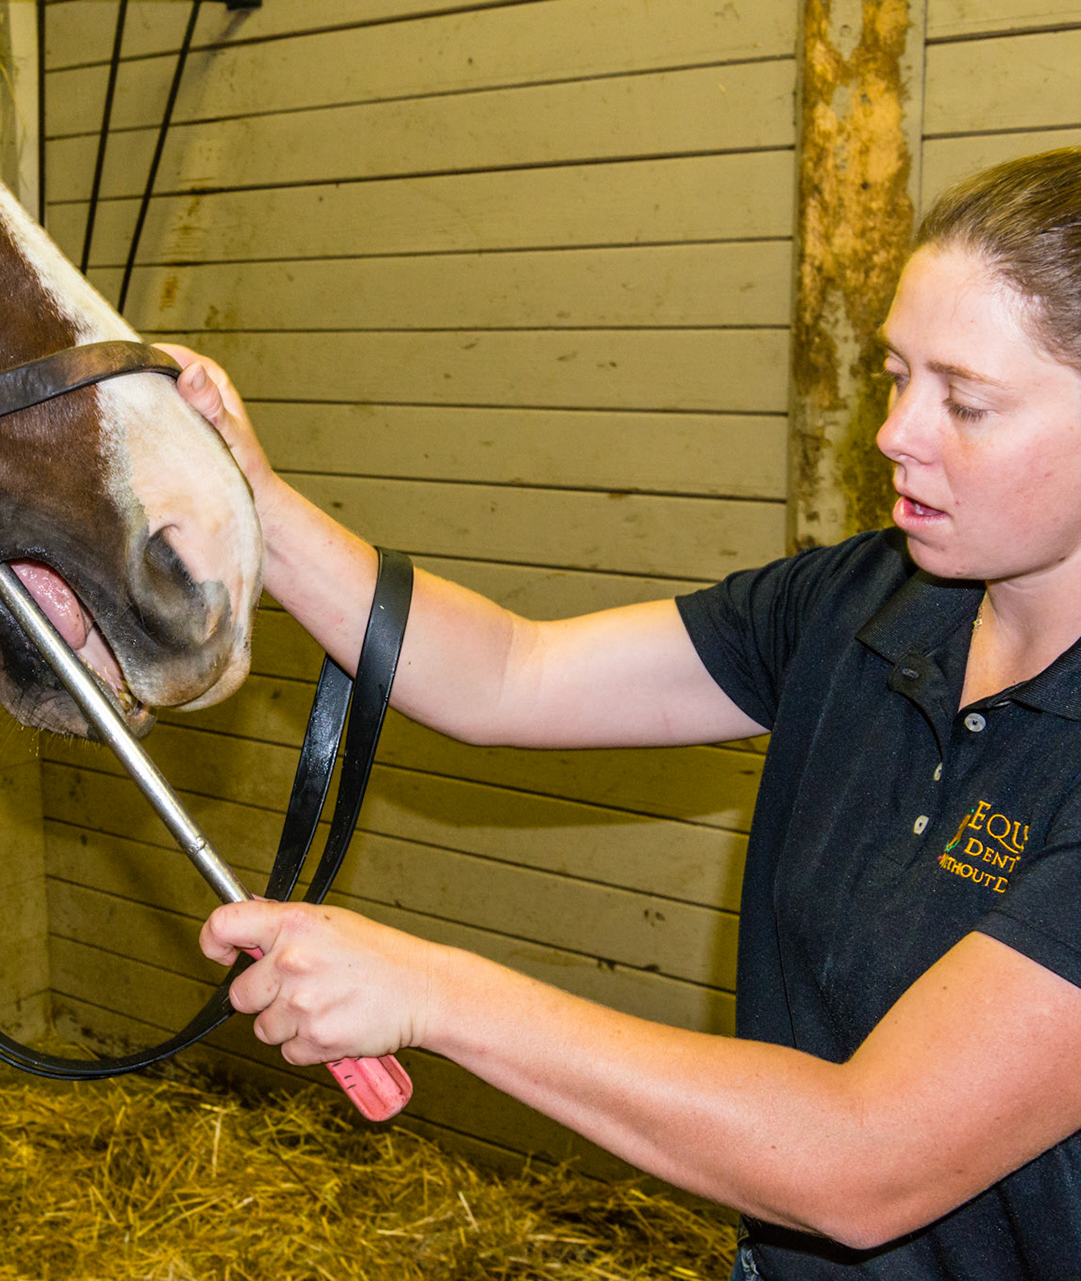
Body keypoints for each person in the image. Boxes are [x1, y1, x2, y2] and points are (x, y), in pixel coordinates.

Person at [159, 147, 1081, 1280]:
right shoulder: (867, 600)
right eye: (896, 376)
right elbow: (508, 674)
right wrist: (255, 502)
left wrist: (432, 993)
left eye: (967, 402)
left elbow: (863, 1160)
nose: (895, 432)